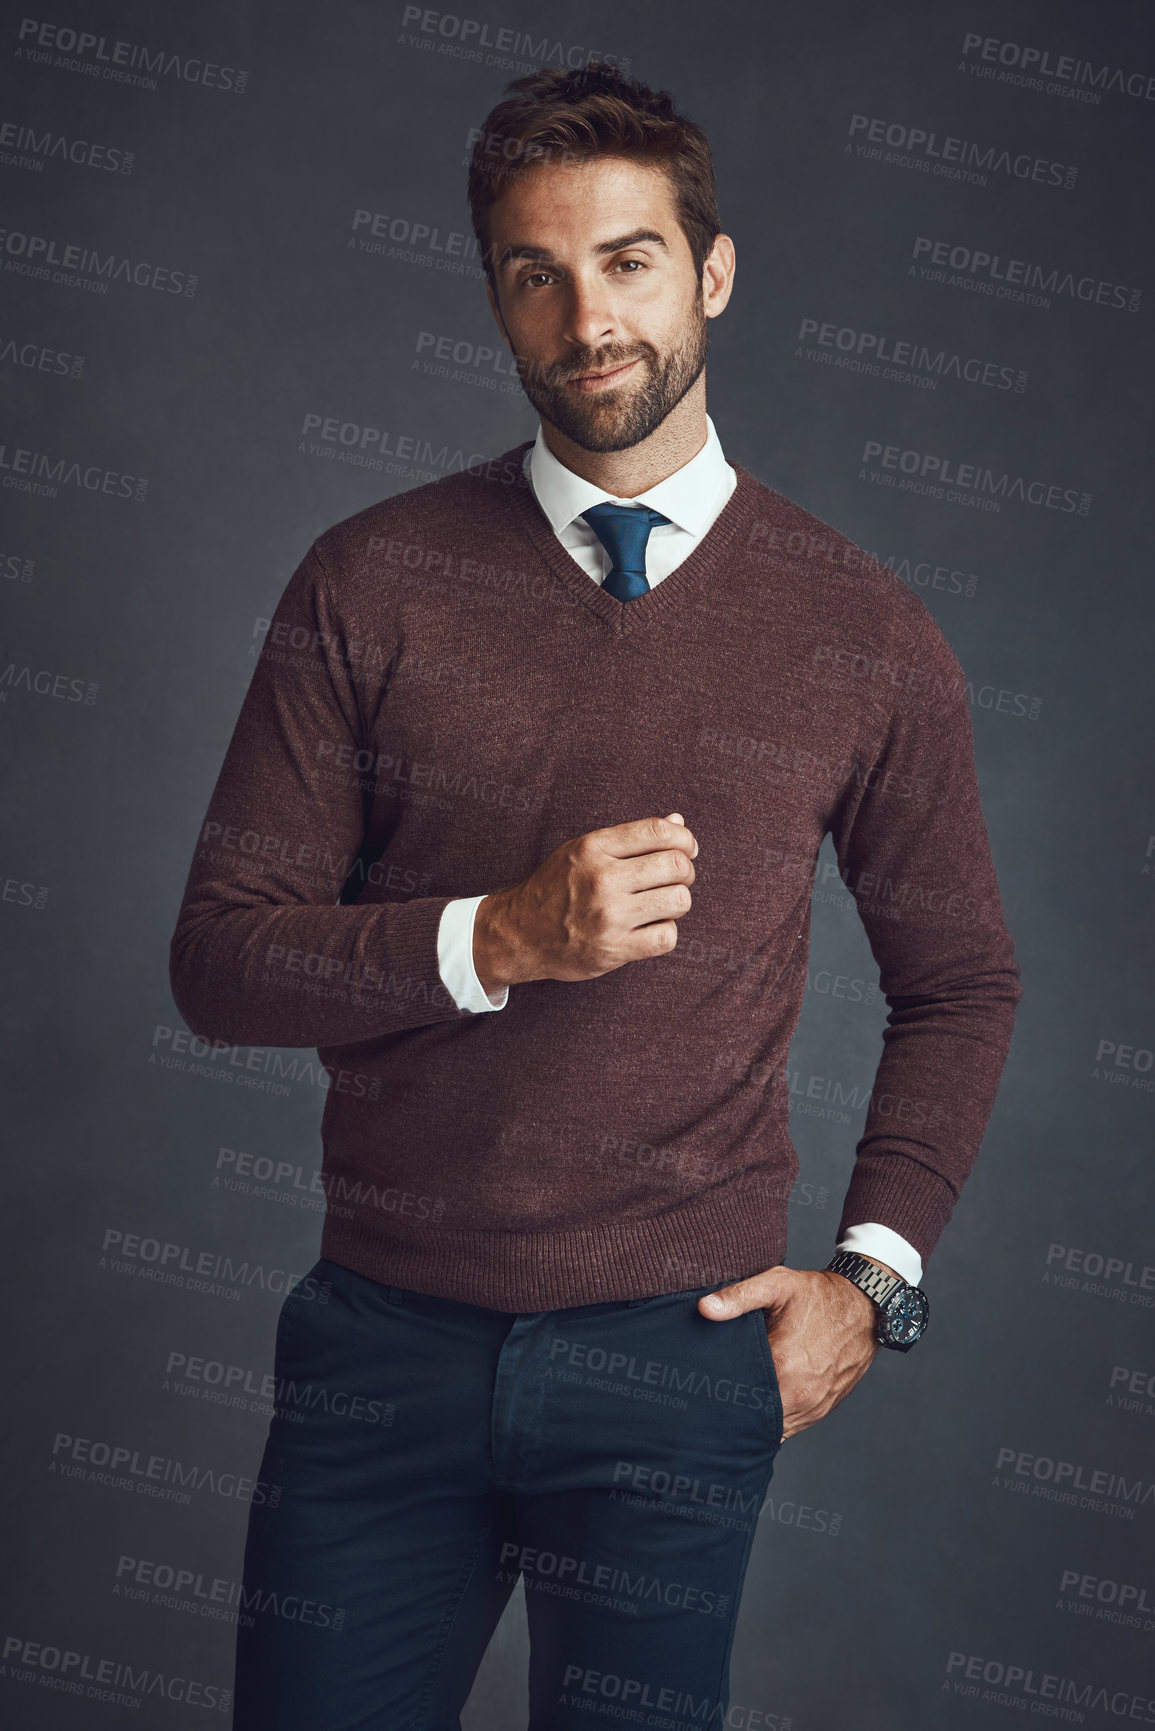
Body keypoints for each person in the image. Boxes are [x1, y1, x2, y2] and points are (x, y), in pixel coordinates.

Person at [169, 60, 1022, 1731]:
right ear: (494, 298)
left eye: (628, 260)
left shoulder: (864, 630)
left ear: (711, 273)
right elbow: (219, 964)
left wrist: (876, 1280)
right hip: (381, 1352)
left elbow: (963, 981)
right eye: (535, 273)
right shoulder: (368, 577)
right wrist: (494, 938)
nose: (587, 317)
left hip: (677, 1359)